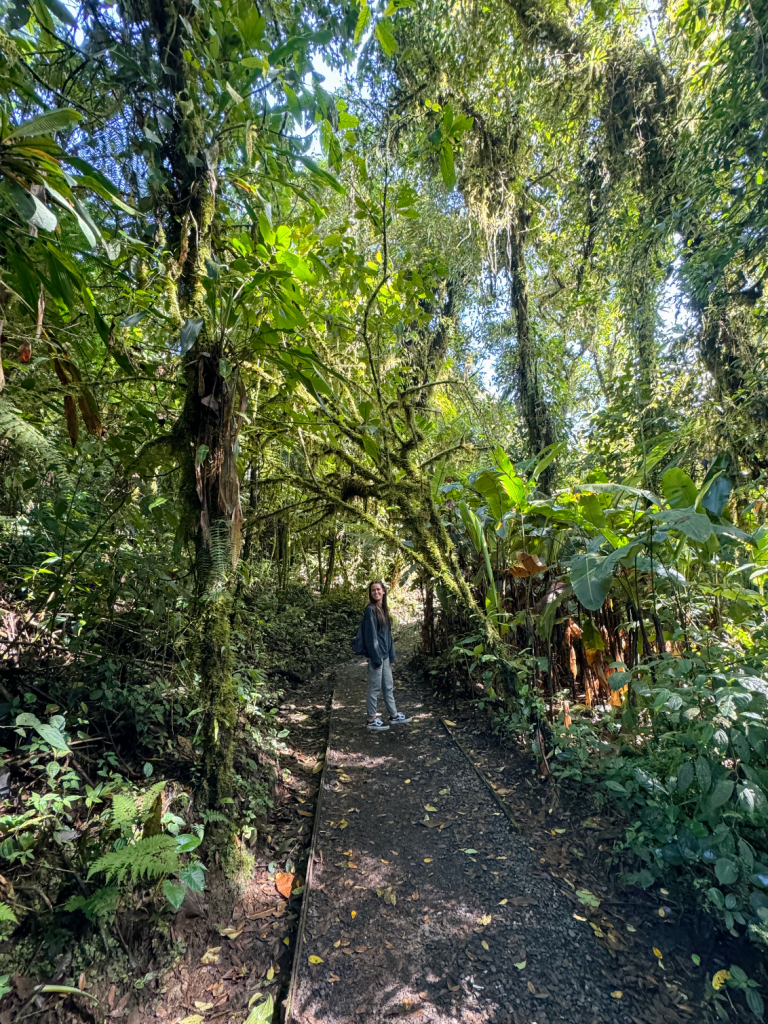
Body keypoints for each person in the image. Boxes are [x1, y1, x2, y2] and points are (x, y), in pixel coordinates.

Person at [361, 580, 412, 731]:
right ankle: (371, 719)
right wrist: (375, 657)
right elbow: (370, 636)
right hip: (377, 656)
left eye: (378, 589)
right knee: (375, 688)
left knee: (388, 686)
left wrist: (392, 655)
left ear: (383, 591)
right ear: (371, 593)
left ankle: (394, 715)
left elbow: (388, 635)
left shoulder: (383, 609)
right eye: (373, 590)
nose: (376, 592)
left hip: (386, 656)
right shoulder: (370, 610)